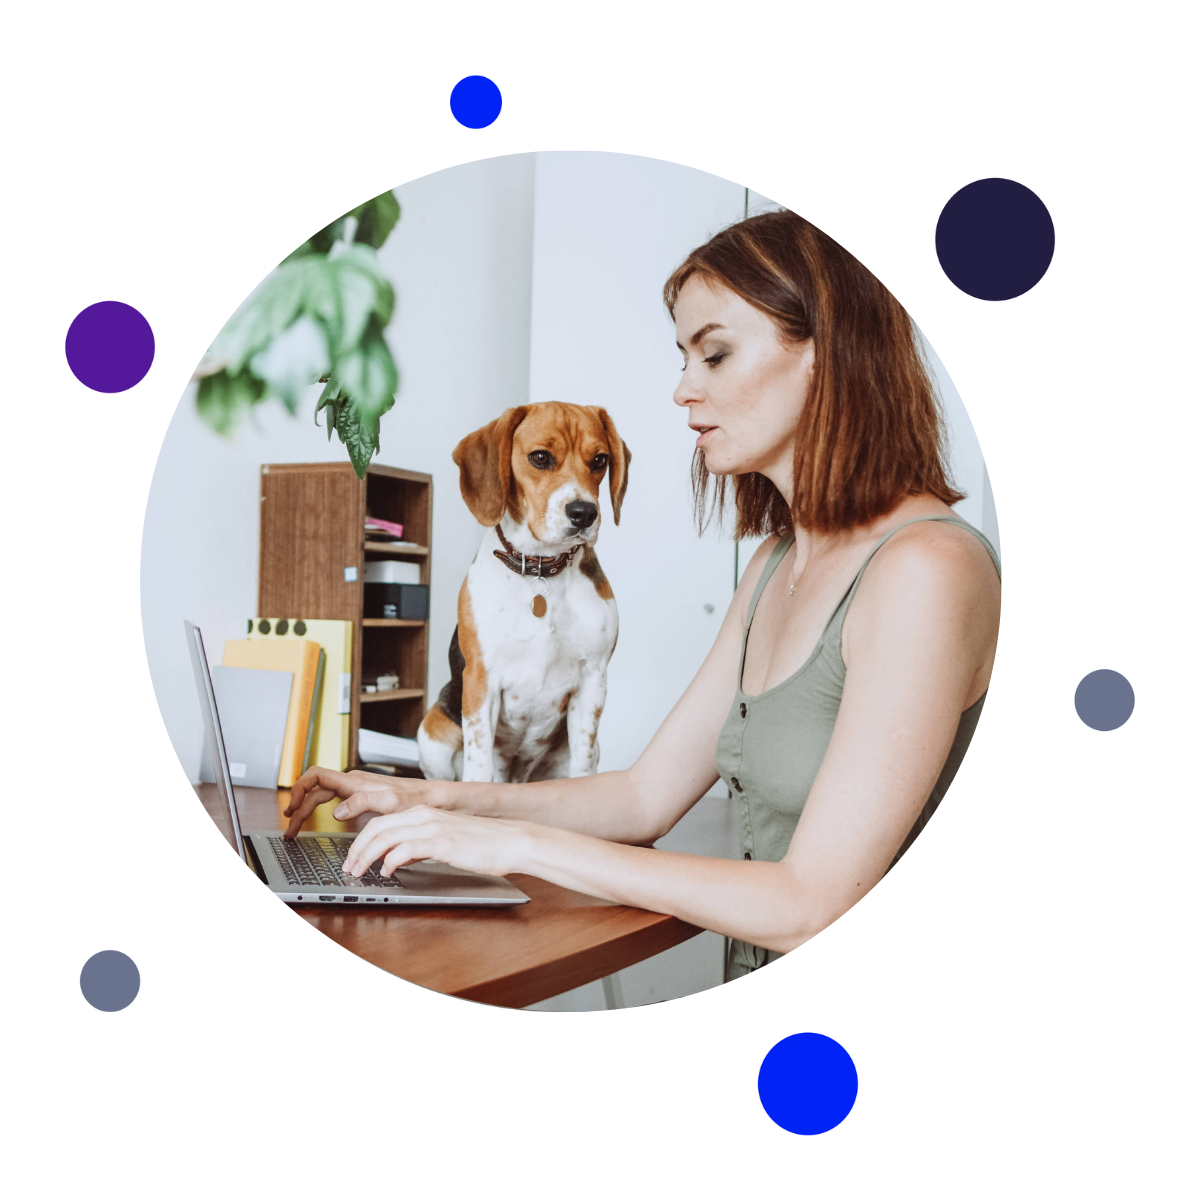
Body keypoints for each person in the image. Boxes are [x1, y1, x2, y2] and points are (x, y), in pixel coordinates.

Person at [284, 210, 1001, 981]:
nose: (682, 390)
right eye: (685, 357)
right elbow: (641, 798)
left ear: (826, 355)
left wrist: (515, 845)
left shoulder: (927, 569)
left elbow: (809, 904)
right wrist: (435, 805)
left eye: (715, 354)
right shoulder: (773, 566)